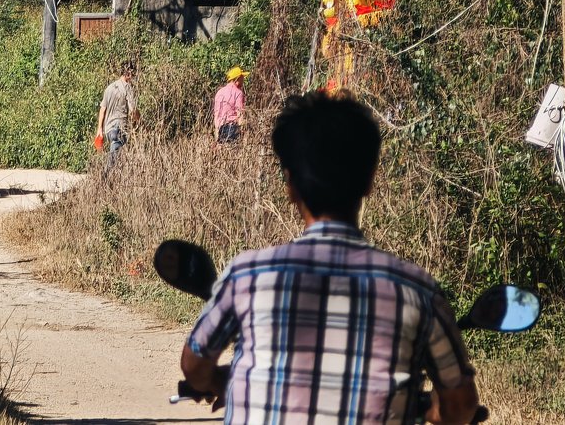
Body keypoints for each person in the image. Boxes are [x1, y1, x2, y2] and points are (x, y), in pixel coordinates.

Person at [181, 92, 479, 425]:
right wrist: (438, 412)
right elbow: (461, 402)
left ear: (290, 186)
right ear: (369, 181)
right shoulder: (417, 291)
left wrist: (221, 381)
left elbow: (194, 365)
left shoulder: (247, 275)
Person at [95, 62, 139, 167]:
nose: (133, 77)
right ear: (128, 73)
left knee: (116, 157)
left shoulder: (109, 88)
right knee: (113, 162)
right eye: (133, 74)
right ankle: (106, 179)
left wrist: (99, 129)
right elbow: (133, 111)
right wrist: (139, 120)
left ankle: (107, 178)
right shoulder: (127, 88)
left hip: (108, 129)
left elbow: (102, 109)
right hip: (119, 128)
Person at [212, 66, 248, 143]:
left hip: (220, 129)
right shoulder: (238, 93)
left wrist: (216, 133)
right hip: (233, 129)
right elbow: (240, 115)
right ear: (237, 79)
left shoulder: (219, 92)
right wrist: (243, 134)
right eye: (242, 77)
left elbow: (216, 114)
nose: (243, 80)